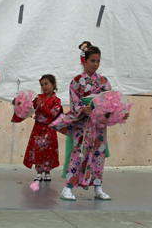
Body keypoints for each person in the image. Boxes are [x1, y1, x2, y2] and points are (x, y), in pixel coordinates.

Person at [51, 41, 129, 201]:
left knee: (98, 155)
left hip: (99, 124)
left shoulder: (104, 81)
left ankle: (98, 188)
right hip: (83, 123)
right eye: (92, 60)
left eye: (98, 61)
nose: (96, 64)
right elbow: (74, 101)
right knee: (78, 154)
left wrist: (118, 114)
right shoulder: (76, 81)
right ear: (84, 61)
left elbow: (110, 102)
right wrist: (82, 109)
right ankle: (68, 188)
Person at [12, 74, 62, 181]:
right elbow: (28, 106)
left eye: (46, 84)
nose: (44, 86)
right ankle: (39, 171)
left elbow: (53, 113)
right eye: (42, 84)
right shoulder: (38, 98)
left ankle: (47, 172)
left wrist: (42, 106)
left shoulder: (57, 100)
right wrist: (17, 103)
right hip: (38, 128)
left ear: (53, 84)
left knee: (48, 150)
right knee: (38, 150)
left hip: (50, 129)